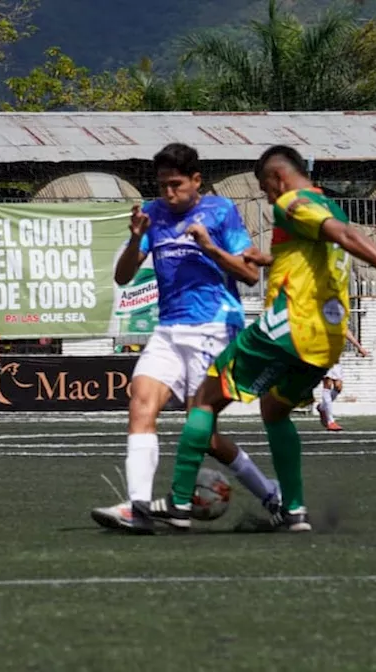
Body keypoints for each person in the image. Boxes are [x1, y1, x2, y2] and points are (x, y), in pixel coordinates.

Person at [141, 145, 376, 533]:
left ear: (278, 179)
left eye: (265, 189)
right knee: (275, 410)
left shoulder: (292, 202)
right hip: (326, 339)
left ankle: (178, 504)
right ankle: (293, 511)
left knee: (204, 400)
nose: (268, 198)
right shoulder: (327, 203)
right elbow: (316, 252)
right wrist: (268, 260)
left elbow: (345, 236)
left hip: (290, 327)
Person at [91, 142, 285, 534]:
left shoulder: (220, 212)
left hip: (214, 328)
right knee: (140, 404)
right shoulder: (152, 215)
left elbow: (249, 275)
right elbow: (123, 277)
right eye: (162, 184)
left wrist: (210, 247)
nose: (168, 192)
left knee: (207, 436)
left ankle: (271, 494)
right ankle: (139, 507)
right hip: (168, 329)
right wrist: (134, 239)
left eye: (176, 184)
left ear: (197, 180)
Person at [317, 329, 367, 432]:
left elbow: (346, 331)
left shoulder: (338, 320)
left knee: (338, 387)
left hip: (336, 360)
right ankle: (331, 422)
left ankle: (322, 407)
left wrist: (359, 347)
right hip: (323, 357)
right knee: (327, 384)